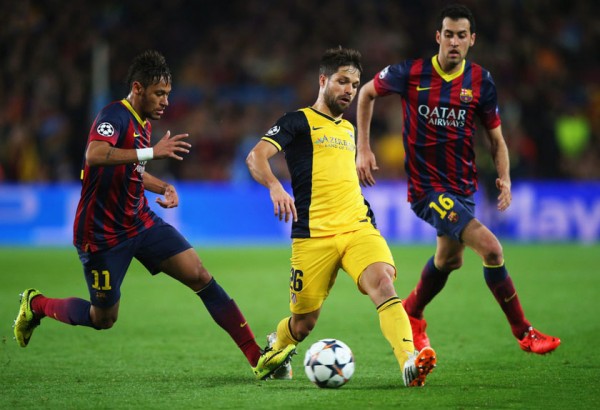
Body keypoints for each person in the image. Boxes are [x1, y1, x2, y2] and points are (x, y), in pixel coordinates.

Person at [13, 49, 294, 380]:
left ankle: (257, 358)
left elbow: (129, 167)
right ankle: (36, 305)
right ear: (138, 88)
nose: (165, 101)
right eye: (159, 93)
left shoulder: (143, 123)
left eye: (168, 94)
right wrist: (152, 152)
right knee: (103, 318)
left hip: (139, 221)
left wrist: (162, 187)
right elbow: (95, 154)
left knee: (200, 276)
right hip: (101, 234)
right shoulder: (114, 116)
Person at [355, 4, 560, 355]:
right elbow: (367, 93)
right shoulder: (411, 73)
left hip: (463, 187)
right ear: (438, 37)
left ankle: (412, 312)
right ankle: (524, 331)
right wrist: (363, 148)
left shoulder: (481, 81)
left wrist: (506, 178)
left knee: (449, 260)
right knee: (492, 249)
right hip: (427, 189)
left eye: (461, 35)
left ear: (471, 40)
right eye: (448, 34)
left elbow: (496, 139)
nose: (454, 41)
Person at [246, 47, 437, 387]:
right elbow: (256, 157)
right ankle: (277, 345)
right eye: (342, 81)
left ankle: (409, 361)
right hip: (313, 237)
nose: (349, 90)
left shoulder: (349, 130)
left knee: (383, 284)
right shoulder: (296, 121)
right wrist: (275, 187)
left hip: (356, 227)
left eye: (355, 84)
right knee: (303, 323)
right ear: (323, 81)